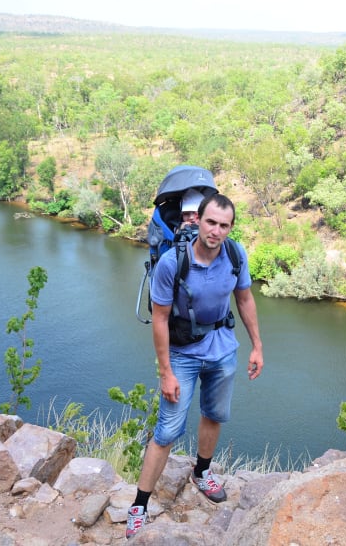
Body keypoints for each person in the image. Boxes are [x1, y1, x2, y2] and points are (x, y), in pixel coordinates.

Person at [126, 193, 264, 539]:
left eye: (224, 225)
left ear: (230, 228)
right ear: (197, 220)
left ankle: (202, 472)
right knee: (168, 431)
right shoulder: (173, 262)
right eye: (211, 222)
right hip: (183, 353)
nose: (216, 231)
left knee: (214, 414)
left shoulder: (235, 253)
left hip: (222, 347)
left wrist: (257, 346)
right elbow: (159, 319)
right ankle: (139, 506)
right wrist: (165, 372)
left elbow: (244, 298)